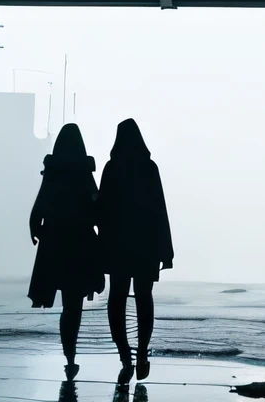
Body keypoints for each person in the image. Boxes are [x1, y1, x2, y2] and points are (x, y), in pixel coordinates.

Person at [97, 119, 173, 385]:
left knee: (116, 297)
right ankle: (142, 353)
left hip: (118, 246)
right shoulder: (149, 168)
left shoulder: (112, 168)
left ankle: (125, 357)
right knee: (144, 297)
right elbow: (159, 210)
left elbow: (101, 212)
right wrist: (167, 250)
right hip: (146, 246)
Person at [28, 123, 105, 381]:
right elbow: (97, 210)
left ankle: (69, 356)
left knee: (65, 305)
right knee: (74, 305)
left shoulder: (53, 172)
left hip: (55, 246)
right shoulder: (84, 173)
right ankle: (71, 355)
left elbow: (40, 205)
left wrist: (36, 228)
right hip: (80, 246)